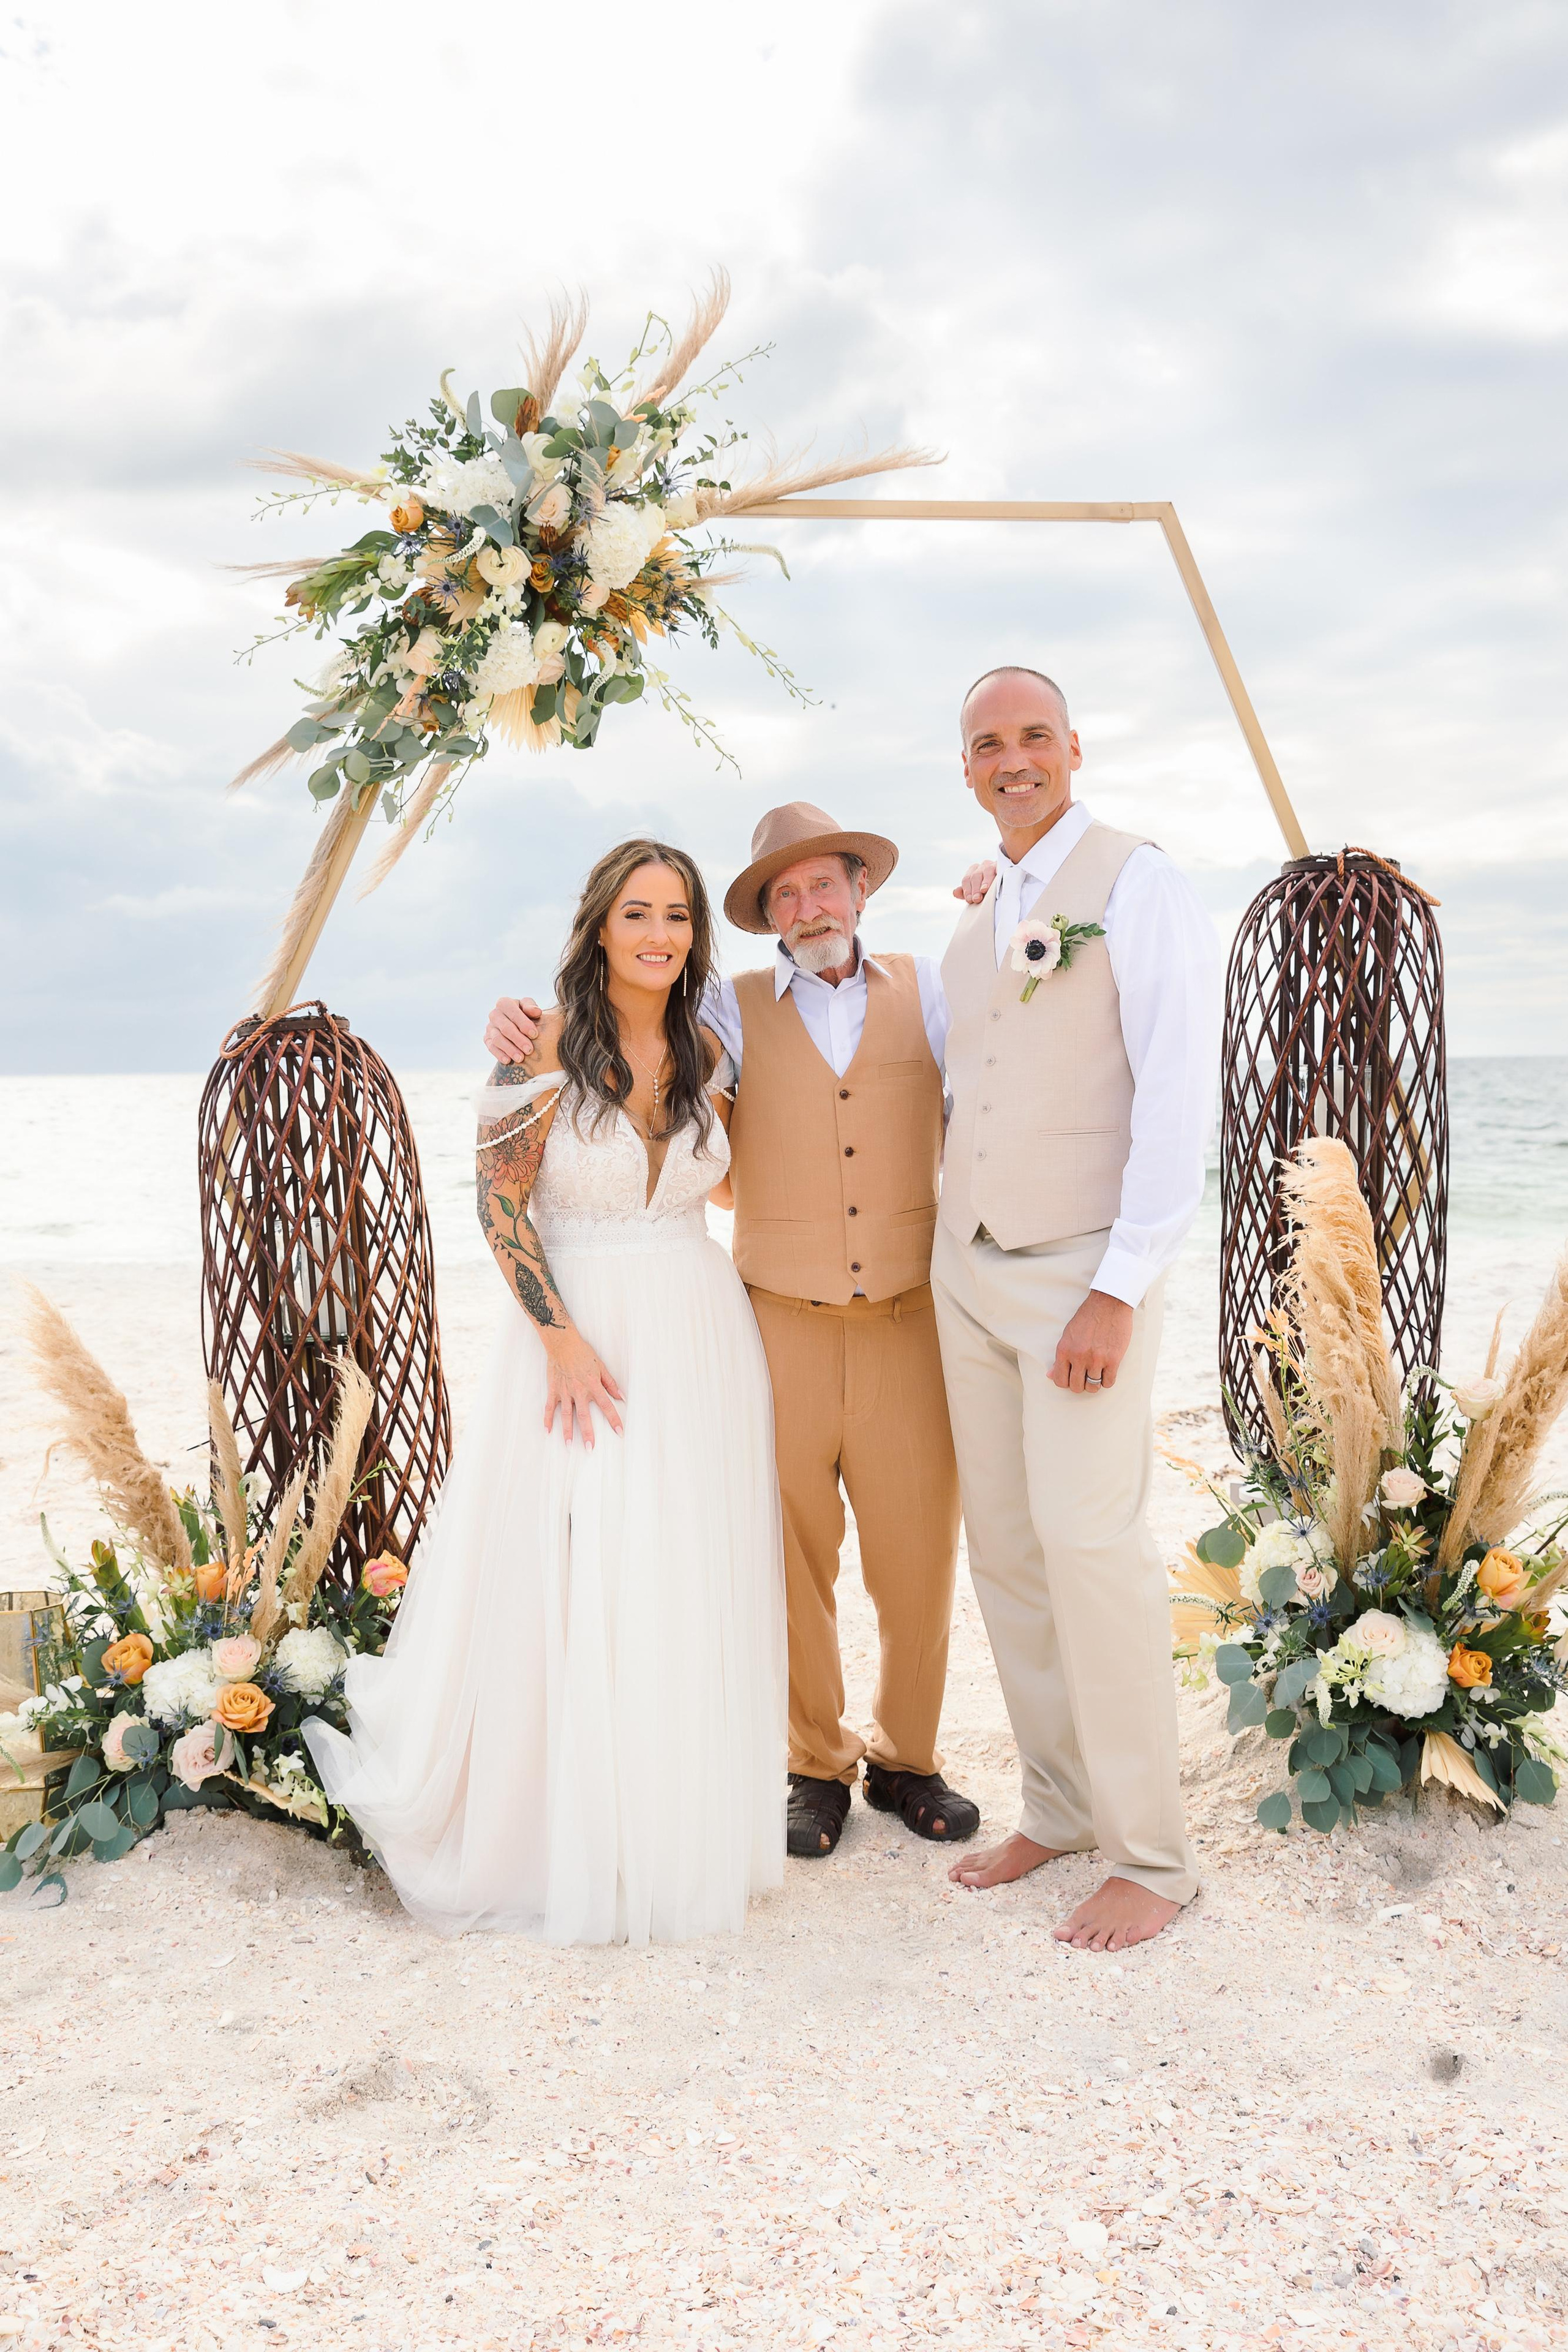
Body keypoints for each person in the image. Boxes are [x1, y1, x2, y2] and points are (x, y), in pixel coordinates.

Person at [306, 840, 786, 1944]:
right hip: (578, 1336)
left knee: (677, 1569)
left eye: (676, 916)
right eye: (637, 915)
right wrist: (562, 1341)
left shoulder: (712, 1048)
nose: (658, 935)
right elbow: (500, 1211)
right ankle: (560, 1833)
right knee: (577, 1565)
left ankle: (668, 1823)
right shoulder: (536, 1056)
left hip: (701, 1329)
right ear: (599, 928)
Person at [486, 804, 979, 1862]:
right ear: (762, 917)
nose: (810, 907)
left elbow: (1004, 1071)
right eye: (784, 894)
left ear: (862, 891)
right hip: (774, 1321)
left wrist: (1004, 913)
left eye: (826, 886)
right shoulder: (732, 1009)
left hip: (908, 1317)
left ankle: (910, 1756)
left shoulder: (933, 987)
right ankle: (813, 1763)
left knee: (916, 1556)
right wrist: (512, 1024)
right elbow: (617, 1021)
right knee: (788, 1552)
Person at [935, 666, 1221, 1952]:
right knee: (1002, 1549)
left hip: (1078, 1273)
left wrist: (1118, 1286)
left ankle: (1149, 1855)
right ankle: (1052, 1809)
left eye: (1033, 736)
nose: (1013, 758)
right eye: (987, 742)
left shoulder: (1136, 881)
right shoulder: (980, 909)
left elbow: (1173, 1093)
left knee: (1090, 1547)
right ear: (965, 767)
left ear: (1073, 749)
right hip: (967, 1271)